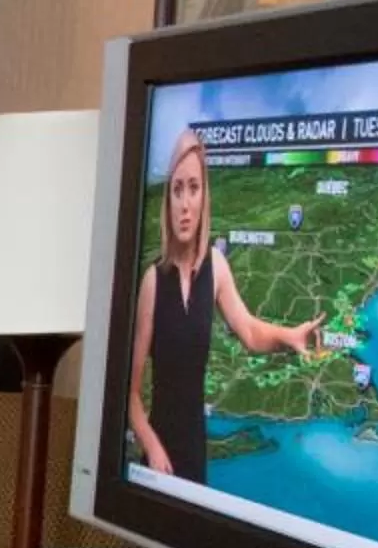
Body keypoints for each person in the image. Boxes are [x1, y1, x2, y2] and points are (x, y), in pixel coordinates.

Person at [129, 129, 321, 483]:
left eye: (194, 188)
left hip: (194, 448)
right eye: (177, 190)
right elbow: (132, 394)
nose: (185, 204)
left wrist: (289, 336)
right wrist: (152, 448)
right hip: (158, 455)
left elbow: (249, 331)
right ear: (167, 202)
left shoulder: (217, 267)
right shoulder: (152, 283)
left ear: (204, 198)